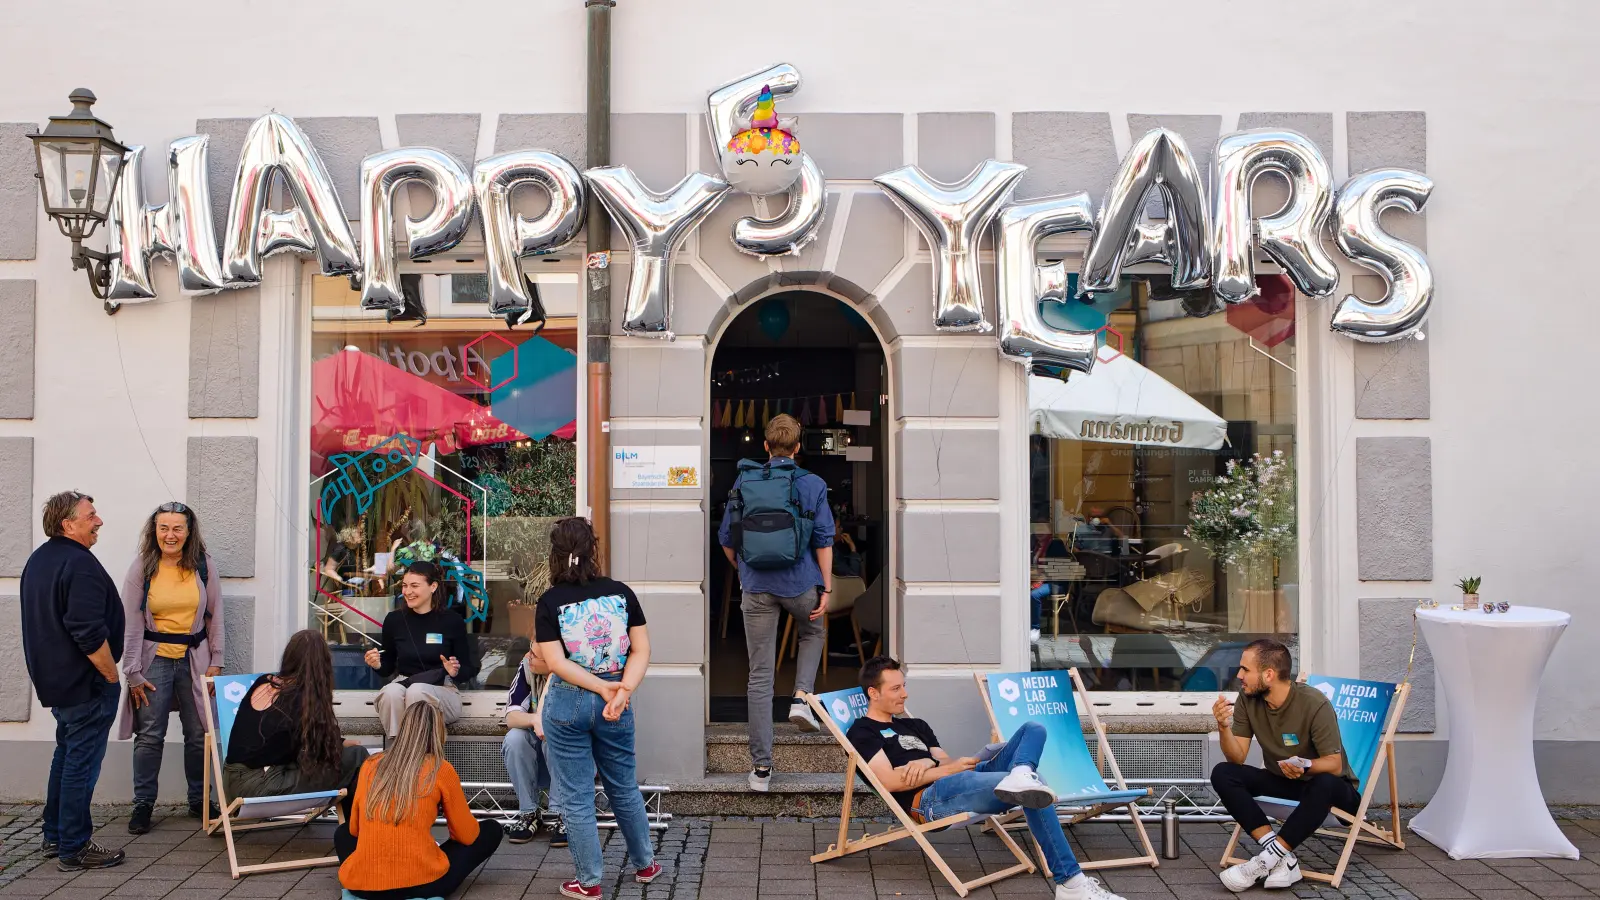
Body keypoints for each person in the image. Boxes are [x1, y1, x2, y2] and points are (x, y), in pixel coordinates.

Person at [848, 656, 1126, 900]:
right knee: (1033, 785)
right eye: (896, 688)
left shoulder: (914, 724)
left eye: (904, 685)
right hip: (931, 801)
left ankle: (1019, 774)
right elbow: (890, 782)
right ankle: (1070, 882)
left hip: (958, 779)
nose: (905, 694)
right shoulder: (862, 733)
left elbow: (946, 760)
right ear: (873, 692)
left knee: (1033, 729)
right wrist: (939, 768)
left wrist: (925, 761)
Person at [534, 517, 659, 900]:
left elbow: (554, 663)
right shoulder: (621, 593)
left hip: (569, 700)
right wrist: (620, 690)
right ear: (594, 549)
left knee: (575, 795)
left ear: (554, 555)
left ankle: (589, 882)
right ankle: (646, 864)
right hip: (617, 699)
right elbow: (642, 650)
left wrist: (599, 687)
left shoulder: (549, 601)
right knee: (623, 784)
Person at [717, 413, 835, 792]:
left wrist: (745, 569)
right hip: (800, 583)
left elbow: (726, 539)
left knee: (759, 675)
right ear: (798, 447)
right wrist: (827, 588)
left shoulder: (745, 479)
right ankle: (802, 696)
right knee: (813, 630)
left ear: (765, 446)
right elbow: (824, 539)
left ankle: (762, 770)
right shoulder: (813, 483)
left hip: (756, 588)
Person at [19, 491, 126, 871]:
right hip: (87, 684)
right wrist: (111, 676)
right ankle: (75, 846)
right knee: (81, 763)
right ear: (69, 524)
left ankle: (56, 836)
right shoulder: (78, 564)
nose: (98, 521)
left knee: (65, 757)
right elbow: (85, 629)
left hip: (58, 682)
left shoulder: (39, 560)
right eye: (91, 515)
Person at [1210, 639, 1358, 892]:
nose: (1239, 675)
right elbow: (1237, 758)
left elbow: (1334, 765)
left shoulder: (1314, 703)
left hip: (1333, 793)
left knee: (1324, 782)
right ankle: (1282, 859)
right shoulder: (1248, 699)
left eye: (1246, 669)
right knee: (1223, 773)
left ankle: (1265, 861)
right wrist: (1224, 727)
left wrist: (1306, 766)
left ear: (1268, 674)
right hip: (1285, 783)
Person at [116, 501, 224, 834]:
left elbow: (216, 615)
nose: (170, 535)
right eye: (164, 528)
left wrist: (216, 660)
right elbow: (131, 623)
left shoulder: (203, 566)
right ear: (154, 531)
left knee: (198, 733)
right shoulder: (142, 568)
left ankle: (199, 801)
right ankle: (143, 803)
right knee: (149, 735)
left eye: (178, 528)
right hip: (154, 660)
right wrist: (132, 671)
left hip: (195, 658)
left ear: (189, 532)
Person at [336, 701, 503, 900]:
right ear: (438, 732)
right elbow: (466, 836)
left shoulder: (371, 765)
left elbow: (355, 829)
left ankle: (374, 874)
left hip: (363, 887)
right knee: (491, 829)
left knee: (342, 833)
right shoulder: (440, 769)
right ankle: (419, 866)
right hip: (423, 886)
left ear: (403, 728)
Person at [223, 630, 368, 816]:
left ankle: (354, 830)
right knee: (356, 756)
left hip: (232, 781)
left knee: (337, 758)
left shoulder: (264, 681)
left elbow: (282, 737)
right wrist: (339, 745)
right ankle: (355, 831)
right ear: (321, 665)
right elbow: (321, 753)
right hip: (258, 786)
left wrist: (338, 741)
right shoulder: (301, 698)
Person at [363, 560, 479, 738]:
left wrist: (455, 671)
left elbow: (470, 667)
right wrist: (377, 664)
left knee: (417, 691)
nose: (407, 592)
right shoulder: (394, 620)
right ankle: (397, 750)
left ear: (433, 587)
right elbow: (388, 665)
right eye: (404, 586)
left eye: (414, 586)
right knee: (390, 693)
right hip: (404, 683)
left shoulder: (451, 621)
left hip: (443, 688)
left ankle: (423, 756)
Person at [501, 640, 564, 846]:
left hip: (572, 759)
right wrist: (535, 719)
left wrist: (544, 723)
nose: (528, 657)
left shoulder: (573, 677)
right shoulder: (527, 668)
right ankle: (529, 812)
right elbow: (512, 717)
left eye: (535, 655)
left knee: (553, 736)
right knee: (515, 738)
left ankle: (562, 814)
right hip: (539, 754)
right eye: (529, 650)